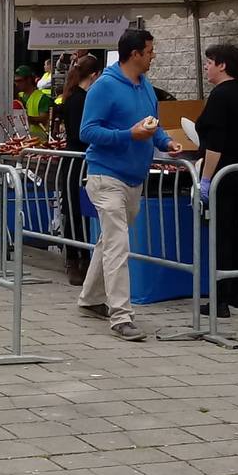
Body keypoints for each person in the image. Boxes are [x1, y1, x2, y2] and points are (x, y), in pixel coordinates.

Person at [77, 29, 182, 341]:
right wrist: (128, 135)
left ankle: (90, 298)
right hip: (105, 175)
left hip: (134, 177)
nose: (153, 55)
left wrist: (165, 140)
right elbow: (87, 131)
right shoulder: (104, 87)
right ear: (135, 54)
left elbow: (152, 123)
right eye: (150, 51)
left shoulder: (145, 85)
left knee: (110, 241)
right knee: (118, 244)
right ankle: (121, 315)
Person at [196, 44, 238, 318]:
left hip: (222, 172)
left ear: (222, 65)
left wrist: (206, 180)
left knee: (221, 235)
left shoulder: (220, 96)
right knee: (234, 232)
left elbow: (215, 143)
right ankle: (237, 291)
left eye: (209, 62)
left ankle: (220, 298)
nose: (206, 67)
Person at [57, 55, 101, 286]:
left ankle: (80, 258)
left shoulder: (74, 96)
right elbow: (80, 133)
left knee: (77, 210)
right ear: (94, 75)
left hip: (77, 159)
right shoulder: (80, 99)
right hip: (78, 159)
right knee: (75, 211)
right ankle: (76, 259)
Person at [15, 65, 52, 141]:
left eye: (19, 81)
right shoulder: (18, 96)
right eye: (15, 81)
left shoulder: (42, 98)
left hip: (39, 143)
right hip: (21, 141)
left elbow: (43, 119)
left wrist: (24, 118)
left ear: (28, 80)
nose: (17, 84)